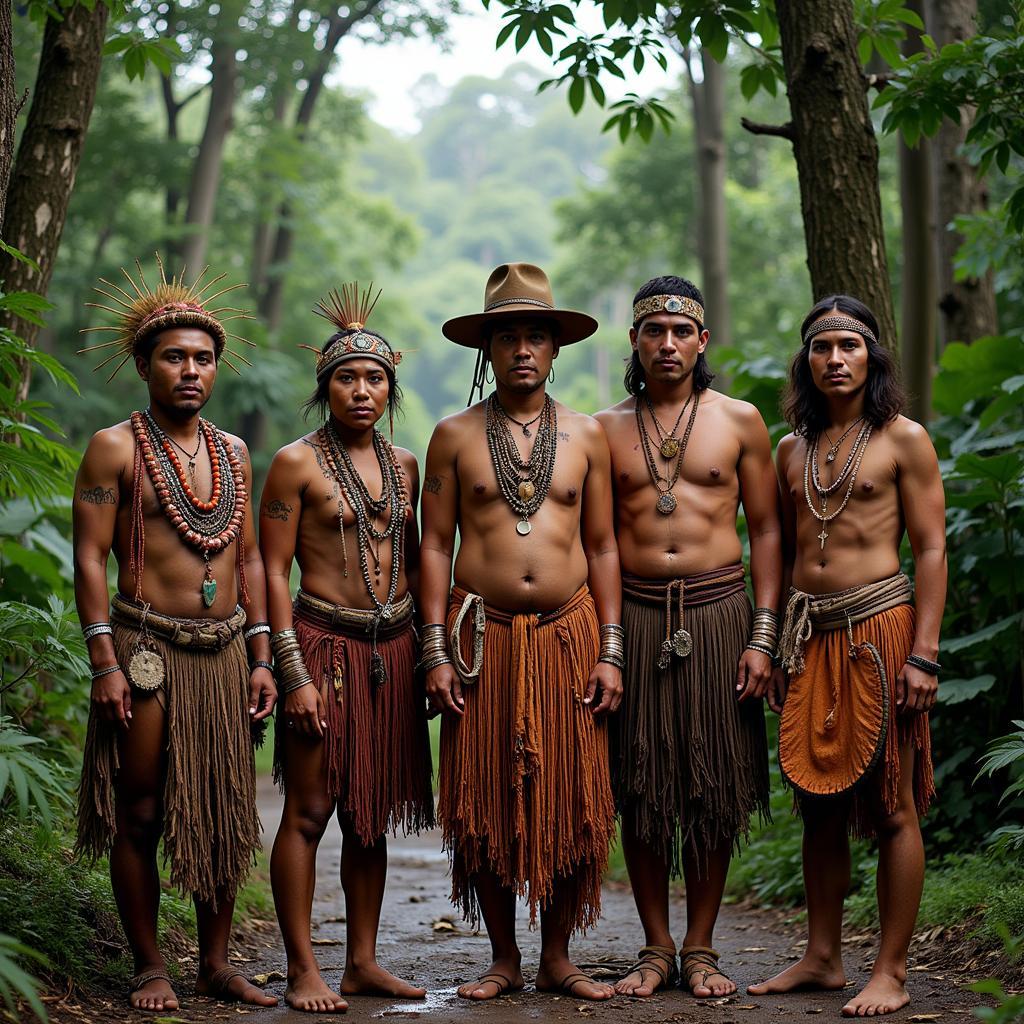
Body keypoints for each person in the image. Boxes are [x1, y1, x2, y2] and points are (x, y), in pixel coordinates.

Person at [74, 257, 278, 1012]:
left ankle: (217, 965)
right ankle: (149, 964)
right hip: (146, 648)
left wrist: (261, 656)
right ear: (143, 364)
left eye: (203, 358)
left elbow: (249, 555)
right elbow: (89, 557)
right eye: (174, 357)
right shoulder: (114, 448)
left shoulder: (232, 453)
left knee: (221, 806)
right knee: (142, 808)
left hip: (224, 650)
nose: (191, 371)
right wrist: (105, 661)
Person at [420, 262, 622, 1002]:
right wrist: (437, 650)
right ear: (488, 349)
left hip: (570, 637)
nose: (524, 349)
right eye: (509, 337)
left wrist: (611, 650)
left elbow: (603, 547)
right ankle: (504, 957)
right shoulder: (452, 437)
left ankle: (558, 957)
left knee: (572, 794)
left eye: (537, 334)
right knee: (486, 799)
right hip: (484, 641)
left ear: (556, 347)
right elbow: (434, 547)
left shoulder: (589, 435)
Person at [748, 295, 945, 1017]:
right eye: (822, 347)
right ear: (807, 359)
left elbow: (930, 547)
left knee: (893, 803)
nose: (835, 359)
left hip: (879, 629)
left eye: (849, 346)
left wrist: (923, 654)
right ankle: (823, 957)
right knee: (817, 804)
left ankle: (890, 970)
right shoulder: (790, 449)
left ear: (872, 357)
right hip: (810, 636)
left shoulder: (904, 439)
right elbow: (781, 550)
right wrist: (769, 643)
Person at [594, 276, 780, 999]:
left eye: (680, 332)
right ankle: (656, 947)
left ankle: (701, 947)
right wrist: (608, 641)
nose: (666, 344)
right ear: (635, 342)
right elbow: (599, 539)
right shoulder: (604, 429)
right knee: (639, 785)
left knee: (713, 784)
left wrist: (762, 635)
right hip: (637, 618)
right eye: (652, 332)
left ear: (702, 341)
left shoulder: (739, 421)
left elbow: (765, 530)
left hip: (718, 615)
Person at [260, 284, 433, 1013]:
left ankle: (363, 962)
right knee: (310, 810)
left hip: (391, 649)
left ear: (390, 388)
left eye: (374, 378)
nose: (361, 390)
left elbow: (420, 560)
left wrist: (429, 653)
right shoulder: (294, 465)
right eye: (345, 377)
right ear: (325, 386)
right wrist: (288, 668)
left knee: (371, 813)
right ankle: (304, 968)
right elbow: (268, 569)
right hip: (322, 646)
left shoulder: (404, 465)